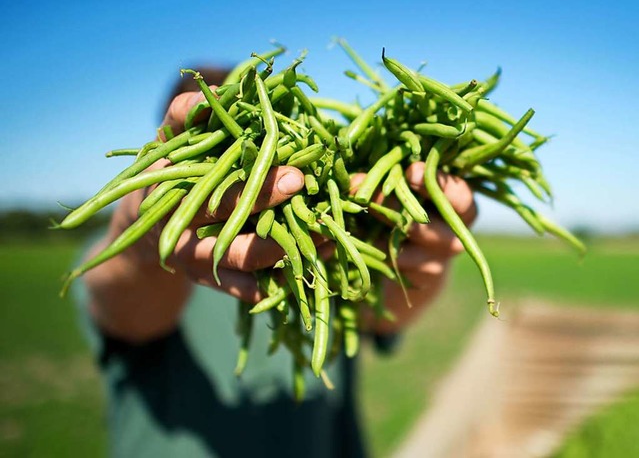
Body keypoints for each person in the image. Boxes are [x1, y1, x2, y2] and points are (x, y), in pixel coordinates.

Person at [74, 67, 478, 458]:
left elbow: (380, 313)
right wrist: (145, 240)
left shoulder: (328, 228)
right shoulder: (118, 256)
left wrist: (425, 251)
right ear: (168, 141)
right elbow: (121, 308)